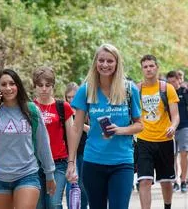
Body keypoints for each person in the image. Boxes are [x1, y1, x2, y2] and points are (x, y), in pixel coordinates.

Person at [66, 44, 143, 209]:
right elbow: (76, 128)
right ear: (95, 62)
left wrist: (120, 130)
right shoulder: (86, 90)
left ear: (117, 64)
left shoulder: (129, 90)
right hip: (93, 161)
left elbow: (139, 125)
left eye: (110, 61)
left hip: (122, 162)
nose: (105, 64)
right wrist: (71, 162)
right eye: (101, 60)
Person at [0, 69, 56, 209]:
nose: (8, 88)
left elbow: (43, 144)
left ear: (18, 86)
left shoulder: (31, 110)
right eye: (3, 84)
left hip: (27, 174)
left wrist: (49, 174)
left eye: (12, 83)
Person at [137, 55, 180, 209]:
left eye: (151, 66)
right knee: (144, 180)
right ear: (142, 69)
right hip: (144, 140)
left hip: (165, 140)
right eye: (145, 66)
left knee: (166, 181)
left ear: (157, 67)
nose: (148, 69)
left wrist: (173, 127)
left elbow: (175, 116)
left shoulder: (167, 88)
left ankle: (167, 206)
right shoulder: (137, 89)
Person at [32, 66, 75, 209]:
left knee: (53, 204)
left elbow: (71, 136)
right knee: (39, 205)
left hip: (59, 163)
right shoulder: (30, 107)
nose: (44, 89)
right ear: (35, 87)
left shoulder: (63, 106)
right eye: (40, 85)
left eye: (48, 85)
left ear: (53, 86)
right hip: (35, 164)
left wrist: (71, 163)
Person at [166, 71, 188, 193]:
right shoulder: (165, 93)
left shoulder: (185, 92)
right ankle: (175, 181)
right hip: (169, 129)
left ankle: (184, 180)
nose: (171, 84)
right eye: (169, 82)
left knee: (184, 153)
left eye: (173, 81)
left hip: (184, 127)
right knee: (172, 156)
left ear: (178, 80)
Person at [64, 82, 89, 209]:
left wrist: (77, 121)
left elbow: (91, 131)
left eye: (74, 96)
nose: (71, 100)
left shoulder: (86, 111)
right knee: (71, 183)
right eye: (69, 97)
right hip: (69, 154)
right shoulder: (64, 112)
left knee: (84, 185)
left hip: (85, 152)